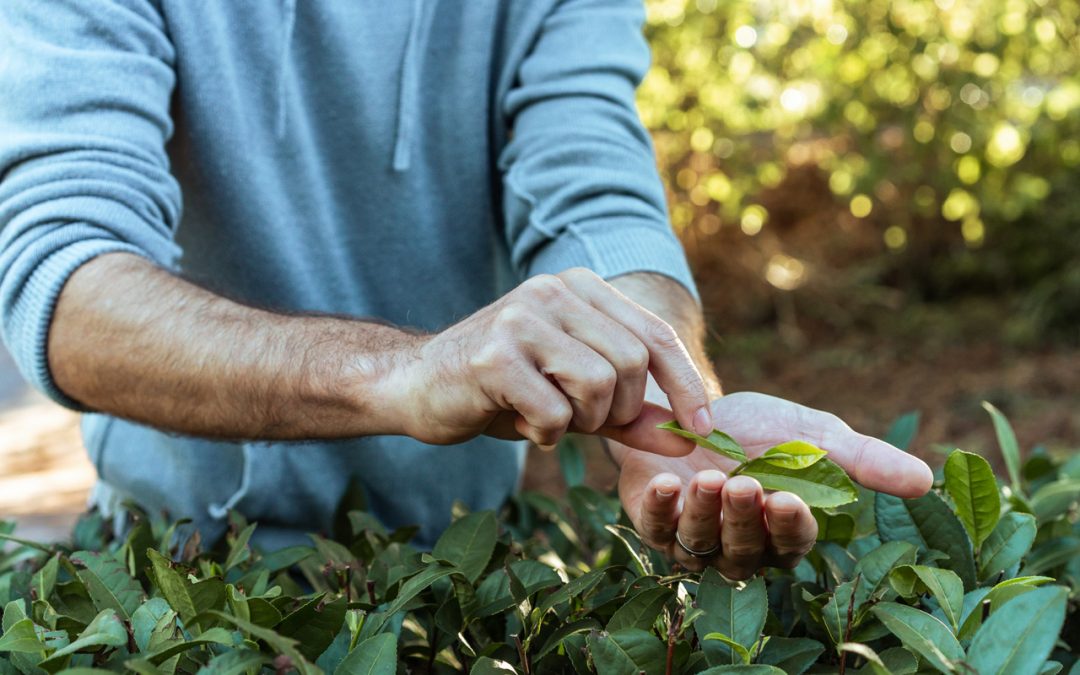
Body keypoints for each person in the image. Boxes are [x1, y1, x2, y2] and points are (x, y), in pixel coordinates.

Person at [0, 0, 931, 578]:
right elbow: (65, 279)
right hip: (170, 576)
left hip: (454, 575)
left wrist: (676, 405)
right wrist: (402, 374)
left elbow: (597, 192)